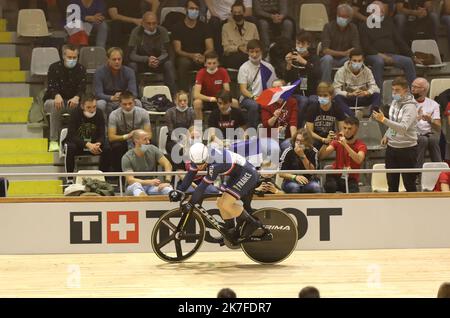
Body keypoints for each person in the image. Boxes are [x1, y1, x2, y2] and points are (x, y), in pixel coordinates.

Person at [172, 143, 263, 244]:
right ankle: (231, 231)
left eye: (202, 163)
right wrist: (179, 191)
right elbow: (189, 176)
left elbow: (202, 187)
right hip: (235, 174)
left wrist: (191, 203)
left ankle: (253, 223)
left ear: (206, 157)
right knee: (220, 203)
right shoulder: (197, 158)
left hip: (247, 173)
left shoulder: (215, 165)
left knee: (226, 203)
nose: (200, 166)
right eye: (197, 164)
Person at [359, 1, 420, 90]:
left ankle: (414, 92)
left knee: (408, 61)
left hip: (391, 54)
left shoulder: (389, 23)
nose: (382, 13)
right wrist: (381, 56)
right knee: (379, 62)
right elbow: (366, 47)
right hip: (373, 55)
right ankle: (379, 95)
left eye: (383, 11)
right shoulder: (363, 26)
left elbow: (400, 41)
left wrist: (412, 55)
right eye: (380, 11)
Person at [372, 77, 418, 192]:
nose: (394, 93)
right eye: (393, 90)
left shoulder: (410, 107)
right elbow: (395, 123)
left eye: (397, 90)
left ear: (406, 90)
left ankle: (413, 208)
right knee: (392, 185)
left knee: (409, 185)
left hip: (407, 149)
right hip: (392, 148)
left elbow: (402, 128)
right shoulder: (394, 102)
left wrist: (383, 120)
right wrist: (388, 135)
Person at [44, 44, 87, 152]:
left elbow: (82, 88)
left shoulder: (81, 69)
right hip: (53, 100)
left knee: (81, 107)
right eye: (69, 57)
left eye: (74, 58)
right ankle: (53, 141)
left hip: (72, 101)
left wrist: (77, 97)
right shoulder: (53, 67)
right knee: (56, 105)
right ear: (63, 56)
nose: (72, 60)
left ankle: (79, 140)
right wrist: (56, 95)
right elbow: (51, 86)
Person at [128, 12, 176, 96]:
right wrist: (147, 59)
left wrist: (158, 60)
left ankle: (173, 94)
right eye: (148, 24)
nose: (151, 27)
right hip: (142, 63)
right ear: (142, 23)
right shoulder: (136, 32)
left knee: (169, 64)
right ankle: (134, 96)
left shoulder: (162, 31)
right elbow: (131, 54)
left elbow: (167, 52)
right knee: (132, 66)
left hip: (159, 62)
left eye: (154, 23)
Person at [64, 94, 111, 181]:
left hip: (94, 145)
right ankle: (69, 179)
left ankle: (103, 178)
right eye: (89, 107)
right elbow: (71, 135)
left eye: (94, 107)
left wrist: (98, 143)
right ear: (82, 106)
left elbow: (102, 134)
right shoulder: (74, 113)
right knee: (70, 147)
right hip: (78, 144)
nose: (92, 110)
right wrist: (87, 144)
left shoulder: (99, 113)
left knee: (107, 148)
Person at [172, 0, 214, 91]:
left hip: (202, 56)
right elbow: (178, 50)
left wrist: (203, 56)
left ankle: (209, 92)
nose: (194, 11)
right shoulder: (177, 27)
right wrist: (192, 56)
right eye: (191, 8)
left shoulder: (204, 27)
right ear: (186, 9)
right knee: (183, 63)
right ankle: (183, 93)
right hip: (185, 57)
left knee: (212, 62)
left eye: (196, 9)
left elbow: (210, 47)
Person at [319, 117, 367, 193]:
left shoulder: (361, 145)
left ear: (356, 130)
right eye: (344, 128)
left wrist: (345, 145)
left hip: (351, 178)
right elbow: (321, 156)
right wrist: (326, 142)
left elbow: (359, 160)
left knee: (354, 191)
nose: (346, 131)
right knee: (330, 186)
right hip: (336, 175)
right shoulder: (337, 140)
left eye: (349, 129)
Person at [108, 91, 152, 173]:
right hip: (122, 139)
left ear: (134, 103)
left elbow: (149, 134)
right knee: (116, 146)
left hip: (139, 138)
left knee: (150, 145)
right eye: (124, 104)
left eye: (130, 103)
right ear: (120, 104)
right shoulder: (114, 115)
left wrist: (139, 138)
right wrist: (127, 136)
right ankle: (120, 175)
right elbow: (111, 137)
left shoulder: (143, 113)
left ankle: (150, 173)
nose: (128, 106)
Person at [238, 39, 277, 129]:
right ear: (247, 52)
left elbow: (274, 85)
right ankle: (253, 131)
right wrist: (255, 97)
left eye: (257, 51)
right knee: (254, 105)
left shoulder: (269, 67)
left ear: (261, 51)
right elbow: (243, 90)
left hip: (265, 97)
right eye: (251, 52)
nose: (254, 55)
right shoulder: (244, 68)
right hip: (248, 98)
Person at [94, 47, 141, 121]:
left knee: (137, 102)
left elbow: (134, 93)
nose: (117, 62)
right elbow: (98, 93)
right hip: (107, 100)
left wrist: (122, 98)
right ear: (108, 59)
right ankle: (104, 129)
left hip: (123, 100)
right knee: (100, 104)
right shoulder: (99, 72)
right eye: (114, 59)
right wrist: (111, 97)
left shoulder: (129, 72)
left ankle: (134, 129)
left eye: (119, 59)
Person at [285, 31, 321, 128]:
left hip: (311, 91)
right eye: (298, 43)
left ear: (308, 44)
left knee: (314, 100)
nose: (300, 46)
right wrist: (288, 64)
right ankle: (297, 127)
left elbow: (318, 74)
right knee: (304, 100)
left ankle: (312, 128)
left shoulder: (314, 58)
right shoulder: (292, 57)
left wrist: (305, 62)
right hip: (296, 92)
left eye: (303, 43)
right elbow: (287, 79)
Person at [122, 130, 173, 196]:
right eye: (145, 139)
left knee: (168, 189)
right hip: (133, 187)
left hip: (151, 186)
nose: (148, 142)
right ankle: (144, 202)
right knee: (136, 186)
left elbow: (167, 164)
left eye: (148, 139)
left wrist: (167, 182)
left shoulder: (153, 149)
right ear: (136, 140)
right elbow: (130, 180)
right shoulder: (127, 157)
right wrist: (149, 182)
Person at [333, 48, 381, 116]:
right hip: (349, 98)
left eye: (359, 61)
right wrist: (349, 94)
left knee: (377, 95)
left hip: (363, 98)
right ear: (349, 60)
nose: (357, 63)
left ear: (363, 60)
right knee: (337, 98)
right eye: (354, 60)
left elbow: (375, 88)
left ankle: (373, 116)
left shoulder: (367, 71)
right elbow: (335, 90)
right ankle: (353, 116)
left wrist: (366, 92)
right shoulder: (341, 72)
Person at [320, 3, 361, 83]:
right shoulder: (328, 27)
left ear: (350, 18)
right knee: (327, 59)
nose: (341, 18)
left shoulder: (353, 28)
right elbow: (325, 50)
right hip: (331, 59)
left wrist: (349, 53)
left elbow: (356, 48)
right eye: (339, 15)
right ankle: (326, 86)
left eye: (344, 16)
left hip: (345, 59)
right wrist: (343, 53)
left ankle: (349, 87)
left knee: (353, 60)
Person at [410, 78, 442, 169]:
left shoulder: (433, 104)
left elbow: (438, 128)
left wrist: (430, 120)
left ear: (423, 89)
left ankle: (440, 171)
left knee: (433, 140)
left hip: (427, 133)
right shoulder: (406, 102)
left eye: (416, 87)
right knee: (423, 140)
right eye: (412, 86)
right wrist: (416, 118)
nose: (412, 89)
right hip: (411, 133)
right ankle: (417, 172)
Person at [193, 52, 235, 120]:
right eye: (209, 63)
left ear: (218, 63)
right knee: (197, 103)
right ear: (205, 64)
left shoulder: (223, 71)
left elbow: (227, 91)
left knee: (234, 102)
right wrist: (210, 99)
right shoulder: (201, 73)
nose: (212, 65)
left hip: (220, 100)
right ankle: (198, 128)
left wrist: (219, 99)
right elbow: (196, 94)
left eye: (214, 63)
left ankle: (232, 126)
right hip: (206, 100)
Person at [279, 129, 322, 193]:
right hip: (291, 180)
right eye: (297, 140)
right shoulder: (288, 151)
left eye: (302, 141)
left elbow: (312, 172)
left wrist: (302, 156)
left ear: (307, 142)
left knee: (316, 187)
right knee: (295, 187)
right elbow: (281, 173)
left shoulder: (313, 151)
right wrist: (294, 177)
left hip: (308, 181)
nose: (298, 143)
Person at [305, 82, 346, 149]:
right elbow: (310, 132)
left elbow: (342, 130)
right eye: (320, 95)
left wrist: (335, 136)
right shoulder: (312, 108)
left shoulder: (337, 108)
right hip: (315, 138)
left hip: (330, 137)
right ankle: (316, 158)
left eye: (325, 95)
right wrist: (323, 139)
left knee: (341, 142)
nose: (322, 98)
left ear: (331, 96)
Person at [221, 1, 260, 69]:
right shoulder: (225, 27)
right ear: (232, 13)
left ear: (244, 12)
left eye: (239, 12)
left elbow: (257, 44)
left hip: (249, 55)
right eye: (235, 12)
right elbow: (225, 48)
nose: (237, 14)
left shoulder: (252, 26)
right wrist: (238, 48)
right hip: (233, 57)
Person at [261, 79, 297, 147]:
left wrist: (294, 140)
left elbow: (293, 123)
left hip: (286, 137)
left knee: (290, 145)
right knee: (276, 149)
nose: (276, 90)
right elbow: (266, 125)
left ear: (284, 89)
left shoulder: (292, 102)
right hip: (270, 137)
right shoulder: (267, 102)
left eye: (278, 87)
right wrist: (274, 117)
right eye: (274, 88)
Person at [164, 91, 195, 161]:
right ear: (175, 101)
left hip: (188, 139)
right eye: (180, 101)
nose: (183, 103)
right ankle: (179, 169)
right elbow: (171, 131)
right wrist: (180, 142)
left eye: (185, 101)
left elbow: (192, 128)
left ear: (188, 101)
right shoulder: (169, 112)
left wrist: (187, 140)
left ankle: (190, 168)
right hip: (173, 140)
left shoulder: (192, 112)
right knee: (179, 150)